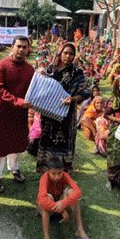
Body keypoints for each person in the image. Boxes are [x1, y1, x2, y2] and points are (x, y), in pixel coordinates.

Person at [0, 36, 34, 193]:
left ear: (28, 49)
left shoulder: (30, 69)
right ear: (12, 47)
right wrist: (19, 101)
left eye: (24, 47)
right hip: (3, 112)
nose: (21, 50)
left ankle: (13, 167)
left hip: (20, 114)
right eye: (18, 46)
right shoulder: (1, 66)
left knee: (18, 143)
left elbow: (33, 91)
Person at [36, 44, 90, 173]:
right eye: (65, 53)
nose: (68, 56)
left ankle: (63, 167)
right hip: (48, 112)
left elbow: (86, 92)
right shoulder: (50, 70)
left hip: (66, 113)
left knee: (65, 139)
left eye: (71, 54)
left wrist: (72, 99)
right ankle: (45, 166)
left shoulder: (77, 72)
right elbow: (41, 88)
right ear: (60, 53)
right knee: (47, 137)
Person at [37, 156, 95, 239]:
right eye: (53, 173)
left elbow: (78, 191)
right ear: (47, 171)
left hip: (59, 202)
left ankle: (80, 230)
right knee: (47, 197)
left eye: (59, 173)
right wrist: (62, 209)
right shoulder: (44, 178)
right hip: (47, 208)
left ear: (63, 170)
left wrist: (63, 203)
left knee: (71, 192)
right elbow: (42, 200)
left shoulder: (65, 175)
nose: (57, 176)